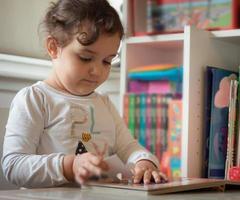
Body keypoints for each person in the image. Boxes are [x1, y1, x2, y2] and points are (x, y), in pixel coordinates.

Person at [1, 0, 167, 188]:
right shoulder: (35, 99)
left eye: (107, 61)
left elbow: (128, 147)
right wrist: (69, 166)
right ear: (53, 48)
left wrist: (144, 162)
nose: (97, 71)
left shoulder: (103, 104)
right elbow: (13, 165)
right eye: (85, 58)